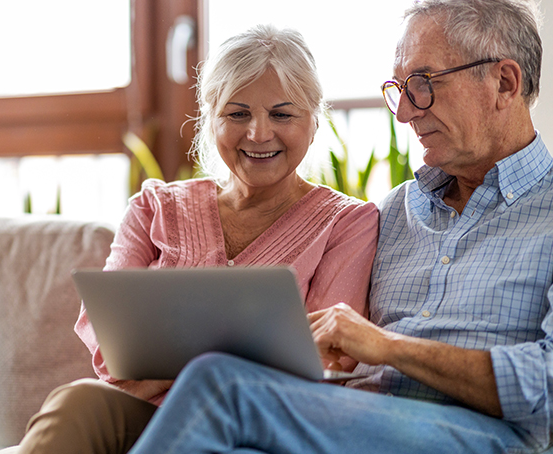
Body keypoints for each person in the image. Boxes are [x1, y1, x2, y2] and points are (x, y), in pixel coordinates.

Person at [125, 0, 553, 453]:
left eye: (423, 84)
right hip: (352, 421)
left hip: (480, 432)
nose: (404, 113)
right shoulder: (394, 213)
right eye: (400, 89)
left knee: (220, 384)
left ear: (504, 82)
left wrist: (387, 347)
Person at [13, 24, 379, 454]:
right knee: (79, 400)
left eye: (282, 114)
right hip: (146, 416)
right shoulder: (154, 206)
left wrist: (168, 372)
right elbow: (111, 341)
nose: (259, 133)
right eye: (237, 113)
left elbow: (323, 359)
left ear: (314, 123)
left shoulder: (348, 223)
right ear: (210, 120)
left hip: (253, 427)